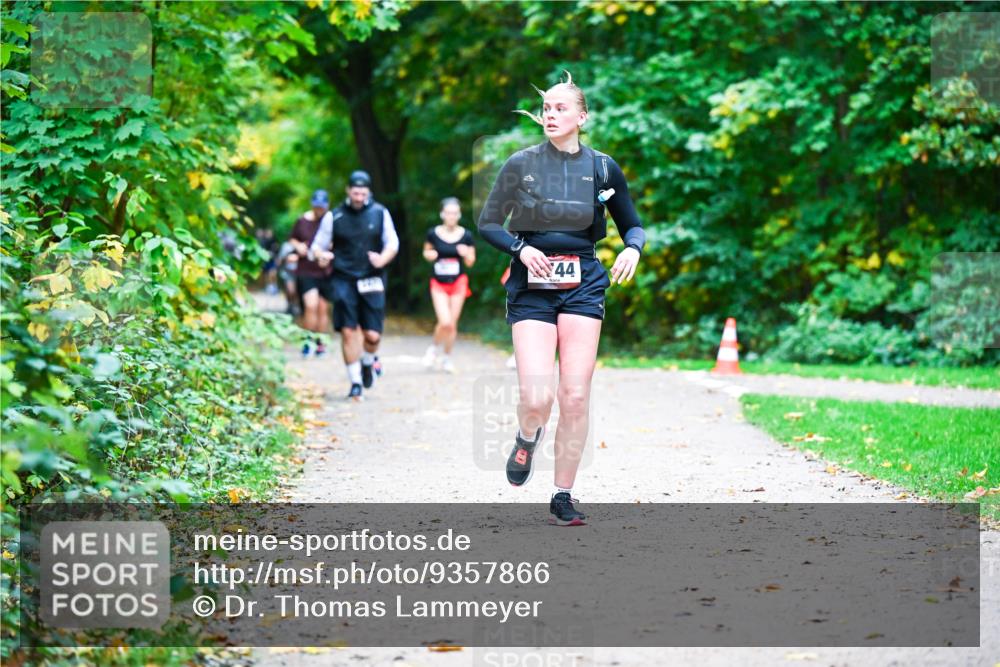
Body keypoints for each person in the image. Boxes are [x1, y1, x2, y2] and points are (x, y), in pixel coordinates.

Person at [477, 71, 645, 526]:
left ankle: (563, 494)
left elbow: (632, 222)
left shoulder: (603, 167)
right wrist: (521, 248)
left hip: (584, 280)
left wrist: (632, 247)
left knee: (573, 394)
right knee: (537, 397)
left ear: (581, 117)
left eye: (559, 108)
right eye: (546, 108)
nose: (550, 115)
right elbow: (489, 222)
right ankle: (527, 436)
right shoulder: (520, 164)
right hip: (532, 282)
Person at [309, 170, 399, 400]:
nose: (359, 197)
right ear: (349, 191)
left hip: (372, 277)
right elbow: (316, 247)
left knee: (372, 336)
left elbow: (392, 244)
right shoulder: (335, 216)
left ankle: (368, 362)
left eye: (363, 193)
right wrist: (321, 256)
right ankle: (355, 382)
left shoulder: (380, 213)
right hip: (343, 278)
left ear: (368, 192)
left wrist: (382, 258)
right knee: (348, 332)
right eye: (355, 192)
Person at [421, 197, 476, 373]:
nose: (451, 216)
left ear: (459, 215)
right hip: (438, 282)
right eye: (448, 213)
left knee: (451, 323)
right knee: (444, 321)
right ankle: (433, 348)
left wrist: (466, 253)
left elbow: (470, 262)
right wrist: (429, 255)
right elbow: (426, 251)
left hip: (458, 282)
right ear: (442, 214)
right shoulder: (433, 233)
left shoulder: (466, 235)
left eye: (454, 213)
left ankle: (446, 357)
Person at [290, 190, 335, 357]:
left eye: (322, 207)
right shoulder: (302, 221)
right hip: (307, 269)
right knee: (310, 306)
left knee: (323, 308)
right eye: (317, 207)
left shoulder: (332, 221)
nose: (319, 210)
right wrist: (298, 246)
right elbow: (292, 238)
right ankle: (307, 340)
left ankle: (321, 343)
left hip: (326, 270)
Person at [275, 240, 301, 318]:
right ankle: (290, 305)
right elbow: (279, 260)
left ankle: (295, 306)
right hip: (288, 272)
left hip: (300, 272)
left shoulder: (307, 243)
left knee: (297, 291)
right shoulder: (286, 245)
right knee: (290, 290)